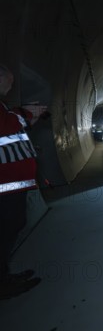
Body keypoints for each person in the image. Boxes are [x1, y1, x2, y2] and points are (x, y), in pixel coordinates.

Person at [0, 64, 42, 299]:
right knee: (5, 232)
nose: (11, 85)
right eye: (9, 80)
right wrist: (25, 113)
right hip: (4, 186)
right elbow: (5, 126)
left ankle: (4, 276)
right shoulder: (5, 111)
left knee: (9, 229)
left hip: (9, 185)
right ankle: (2, 283)